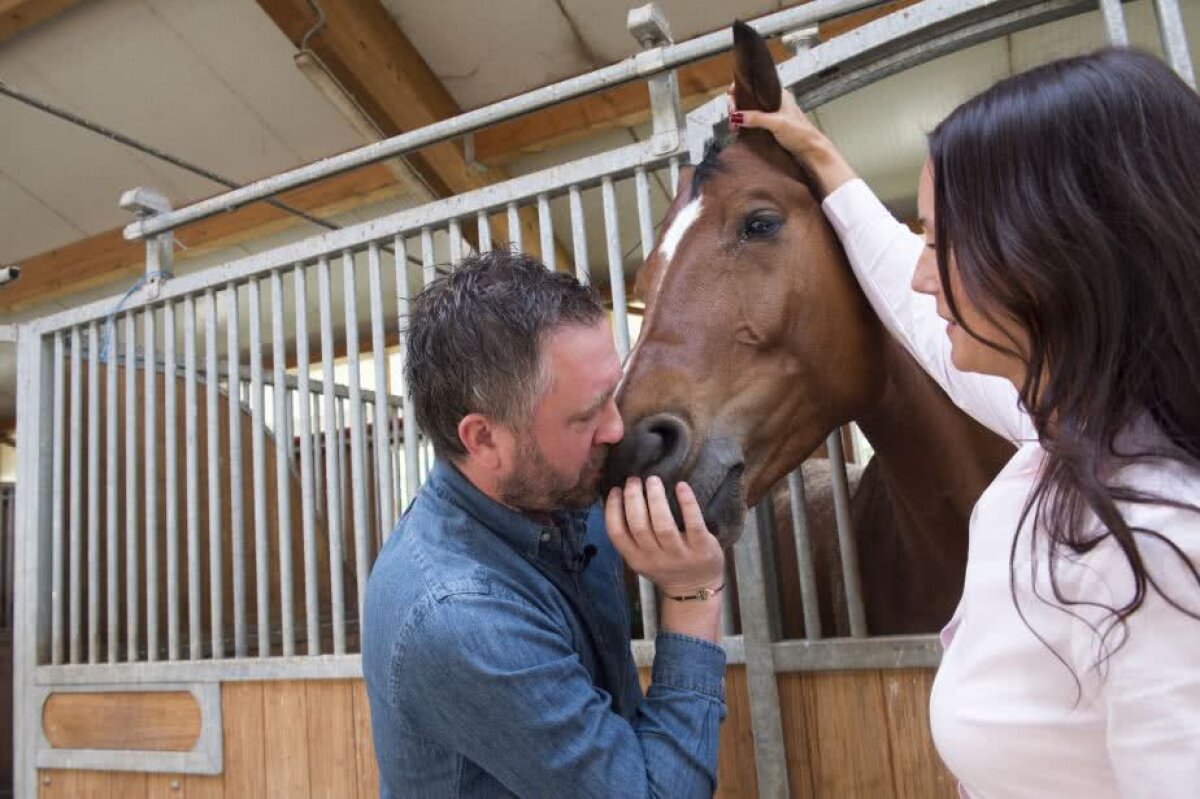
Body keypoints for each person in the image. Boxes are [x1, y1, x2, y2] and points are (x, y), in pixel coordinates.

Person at [732, 48, 1200, 797]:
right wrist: (814, 150)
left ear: (1052, 252)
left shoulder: (1159, 549)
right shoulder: (1065, 432)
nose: (921, 272)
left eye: (939, 240)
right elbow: (917, 310)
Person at [362, 250, 728, 798]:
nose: (615, 427)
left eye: (612, 394)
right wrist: (692, 595)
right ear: (484, 439)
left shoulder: (557, 495)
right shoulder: (460, 616)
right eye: (586, 415)